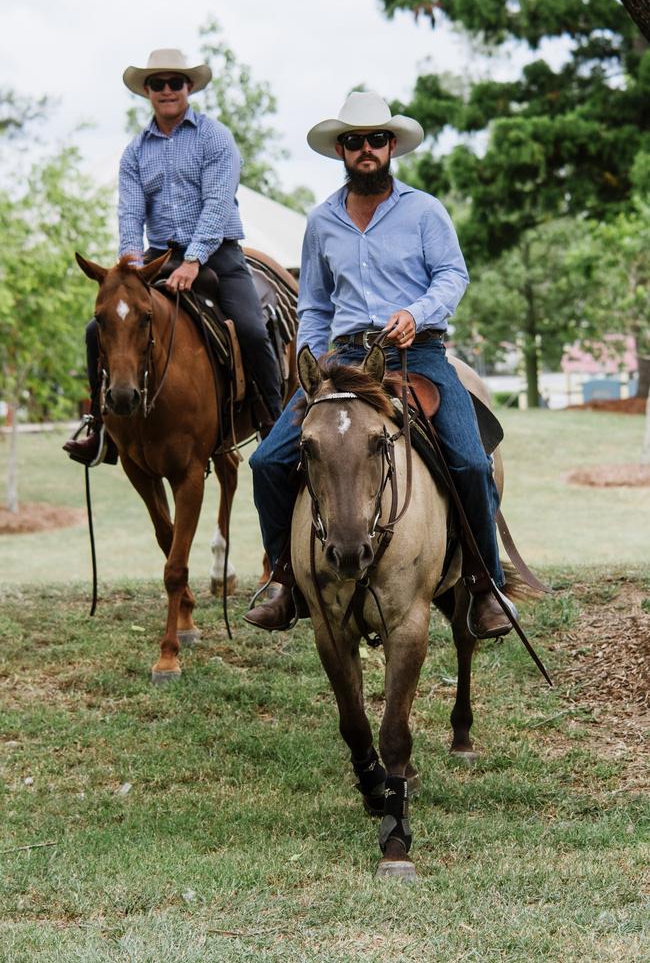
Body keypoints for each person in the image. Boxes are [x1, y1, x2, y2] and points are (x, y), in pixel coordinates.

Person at [244, 90, 512, 638]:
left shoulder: (424, 210)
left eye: (375, 139)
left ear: (391, 145)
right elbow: (315, 304)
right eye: (353, 141)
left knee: (470, 462)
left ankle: (486, 587)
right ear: (341, 150)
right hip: (343, 360)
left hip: (417, 353)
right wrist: (314, 362)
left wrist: (417, 313)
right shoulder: (321, 220)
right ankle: (283, 579)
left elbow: (452, 277)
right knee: (267, 463)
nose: (365, 149)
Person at [64, 48, 282, 466]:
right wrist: (128, 263)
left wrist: (194, 259)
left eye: (175, 83)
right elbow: (130, 211)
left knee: (253, 329)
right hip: (158, 256)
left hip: (217, 252)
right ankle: (100, 428)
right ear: (147, 91)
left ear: (189, 88)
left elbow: (218, 203)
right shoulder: (135, 152)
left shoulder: (215, 137)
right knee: (99, 328)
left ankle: (274, 423)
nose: (167, 90)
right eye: (157, 84)